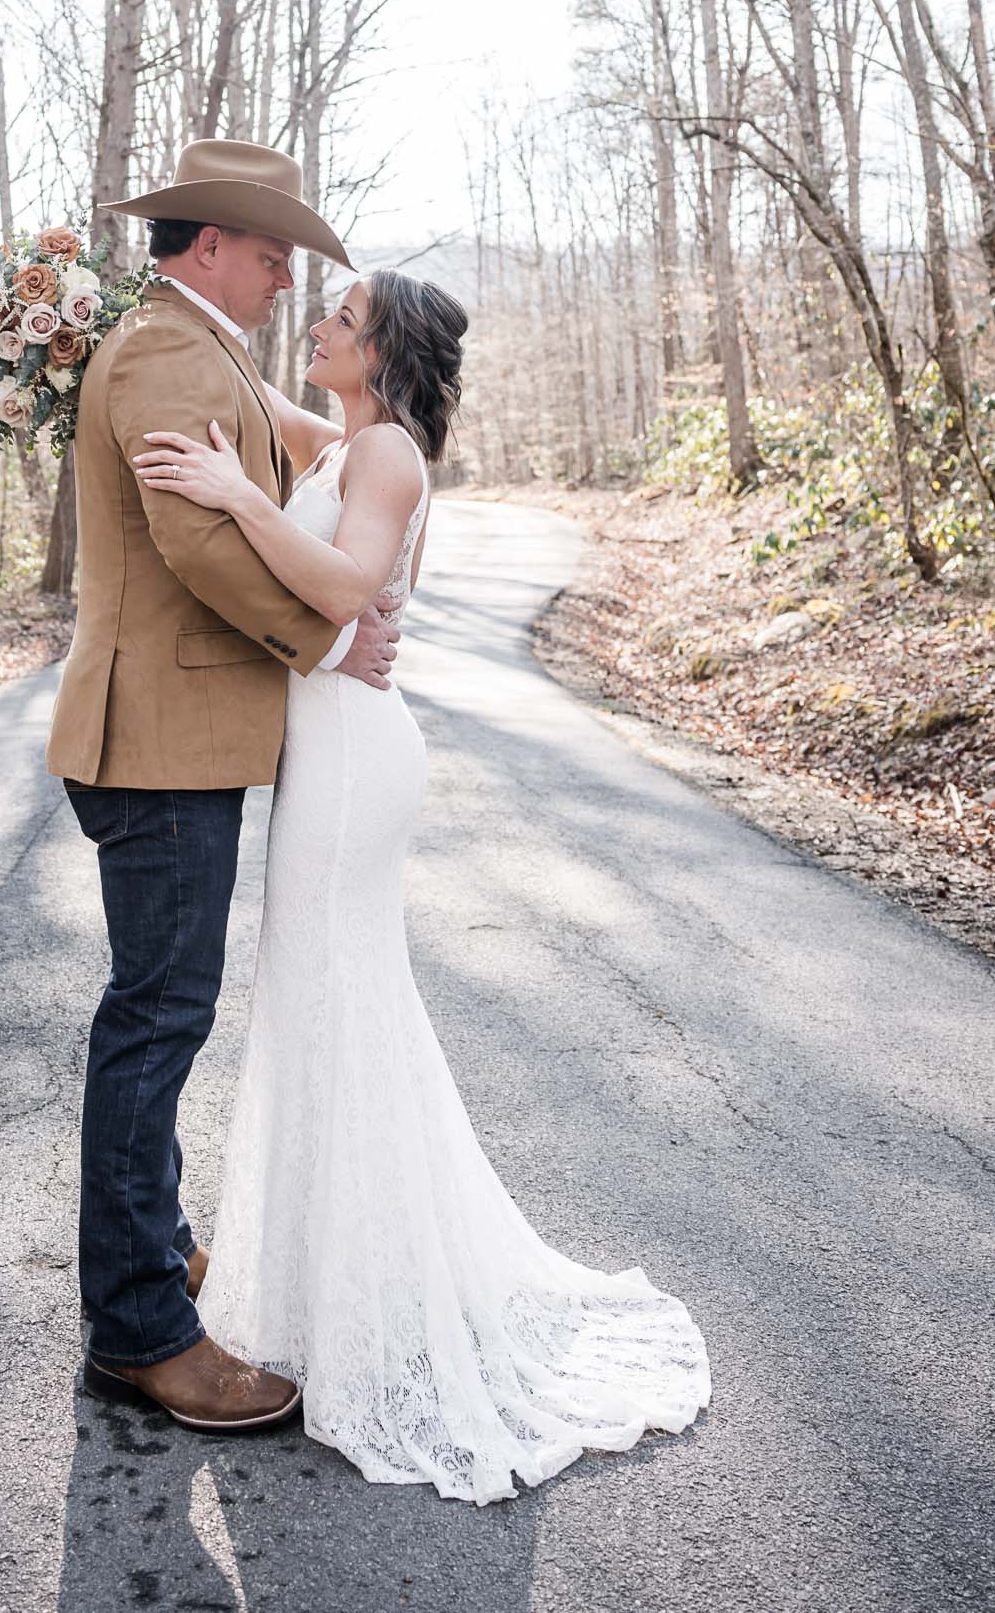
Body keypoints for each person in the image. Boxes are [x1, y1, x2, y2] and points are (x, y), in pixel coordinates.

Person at [132, 267, 712, 1504]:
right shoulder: (341, 437)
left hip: (351, 766)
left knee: (335, 1004)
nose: (316, 329)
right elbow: (249, 395)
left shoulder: (386, 453)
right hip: (329, 754)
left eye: (338, 322)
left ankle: (361, 1298)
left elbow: (343, 589)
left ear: (382, 353)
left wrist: (236, 491)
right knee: (317, 1007)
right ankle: (322, 1274)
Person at [48, 137, 400, 1435]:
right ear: (208, 244)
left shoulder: (206, 354)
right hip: (155, 738)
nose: (280, 276)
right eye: (269, 253)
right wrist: (331, 637)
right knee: (155, 1018)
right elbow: (196, 542)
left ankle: (155, 1246)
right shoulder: (161, 355)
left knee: (161, 1010)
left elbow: (330, 460)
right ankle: (138, 1326)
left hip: (185, 735)